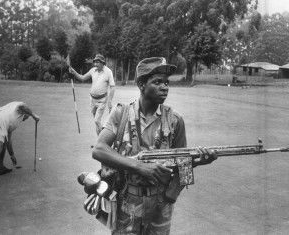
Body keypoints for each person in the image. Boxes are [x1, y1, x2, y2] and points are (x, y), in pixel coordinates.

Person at [92, 57, 217, 234]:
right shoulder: (121, 113)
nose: (165, 87)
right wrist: (140, 167)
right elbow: (99, 150)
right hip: (128, 201)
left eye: (166, 82)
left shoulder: (175, 120)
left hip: (161, 202)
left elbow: (184, 165)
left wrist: (172, 193)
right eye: (157, 82)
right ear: (142, 84)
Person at [0, 102, 40, 189]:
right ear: (24, 113)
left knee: (2, 143)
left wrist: (12, 155)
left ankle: (1, 168)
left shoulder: (12, 118)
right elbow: (23, 106)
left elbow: (8, 141)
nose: (25, 119)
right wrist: (33, 115)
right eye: (26, 117)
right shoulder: (19, 107)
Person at [69, 54, 115, 135]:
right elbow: (82, 78)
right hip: (92, 100)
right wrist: (74, 72)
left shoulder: (108, 72)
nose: (95, 64)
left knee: (97, 120)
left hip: (102, 100)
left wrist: (110, 101)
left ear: (102, 63)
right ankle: (99, 142)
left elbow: (112, 87)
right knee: (97, 123)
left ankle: (102, 141)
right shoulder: (93, 70)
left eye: (97, 62)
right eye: (95, 62)